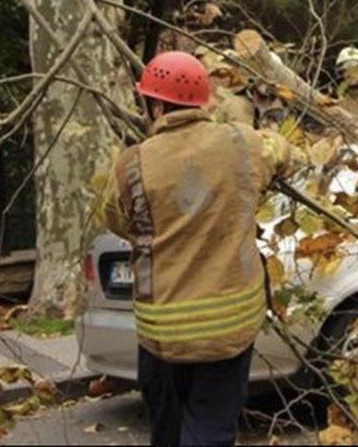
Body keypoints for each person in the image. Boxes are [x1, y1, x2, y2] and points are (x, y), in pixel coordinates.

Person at [102, 51, 294, 447]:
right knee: (210, 427)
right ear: (204, 101)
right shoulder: (244, 143)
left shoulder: (130, 164)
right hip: (228, 326)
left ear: (155, 104)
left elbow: (116, 220)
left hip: (162, 330)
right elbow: (283, 153)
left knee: (167, 431)